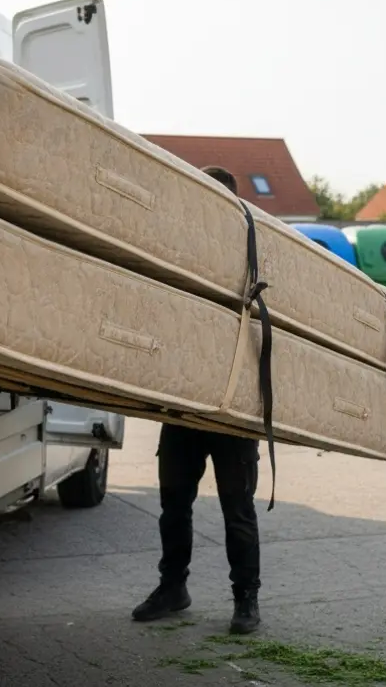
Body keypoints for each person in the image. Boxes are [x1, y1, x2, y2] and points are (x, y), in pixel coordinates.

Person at [132, 166, 262, 635]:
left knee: (238, 511)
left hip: (233, 412)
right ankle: (173, 588)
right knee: (173, 506)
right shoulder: (184, 251)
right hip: (185, 407)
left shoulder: (255, 255)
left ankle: (246, 600)